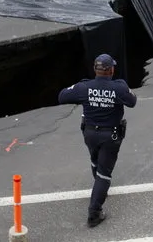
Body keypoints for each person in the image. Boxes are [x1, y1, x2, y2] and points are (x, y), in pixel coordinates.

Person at [57, 54, 137, 227]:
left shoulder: (84, 87)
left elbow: (62, 96)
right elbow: (133, 101)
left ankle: (98, 187)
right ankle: (94, 213)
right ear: (111, 70)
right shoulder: (119, 87)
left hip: (90, 133)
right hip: (111, 135)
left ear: (95, 70)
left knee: (95, 159)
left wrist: (82, 89)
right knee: (104, 173)